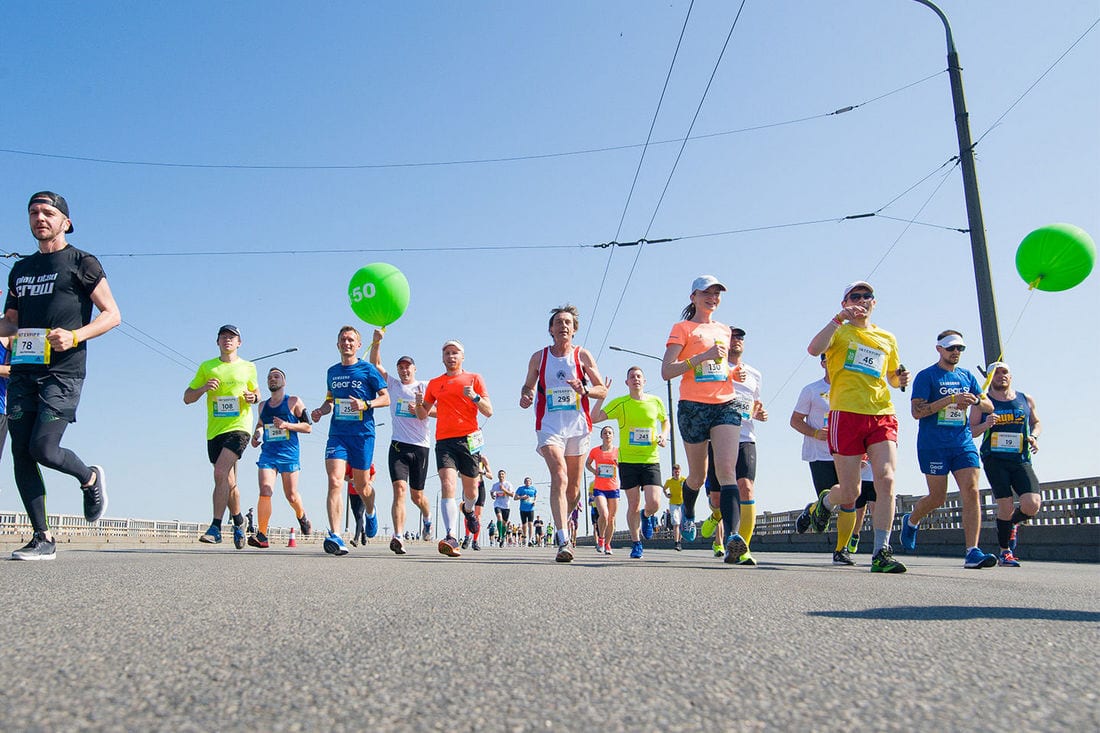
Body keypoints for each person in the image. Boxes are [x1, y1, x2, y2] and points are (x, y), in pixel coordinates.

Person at [5, 192, 120, 561]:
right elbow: (10, 320)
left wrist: (75, 335)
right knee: (22, 454)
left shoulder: (82, 262)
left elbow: (111, 314)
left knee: (44, 448)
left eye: (48, 212)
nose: (40, 218)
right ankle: (42, 537)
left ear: (65, 221)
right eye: (34, 212)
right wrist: (5, 328)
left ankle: (88, 477)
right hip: (23, 371)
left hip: (63, 372)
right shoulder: (20, 270)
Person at [805, 281, 910, 573]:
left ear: (874, 303)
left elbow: (891, 376)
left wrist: (900, 380)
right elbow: (813, 350)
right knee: (850, 493)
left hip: (881, 413)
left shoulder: (887, 337)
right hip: (846, 415)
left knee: (886, 480)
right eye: (855, 296)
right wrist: (838, 319)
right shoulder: (839, 331)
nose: (862, 300)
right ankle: (825, 502)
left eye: (867, 296)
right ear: (845, 303)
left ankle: (881, 552)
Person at [660, 275, 746, 565]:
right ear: (693, 296)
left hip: (725, 402)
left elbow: (720, 367)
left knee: (726, 471)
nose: (713, 297)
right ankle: (690, 512)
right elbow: (667, 371)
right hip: (693, 406)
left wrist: (735, 374)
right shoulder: (682, 328)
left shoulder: (724, 329)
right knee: (697, 475)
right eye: (707, 293)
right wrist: (702, 356)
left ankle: (734, 537)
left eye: (717, 293)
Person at [519, 304, 607, 562]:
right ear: (551, 329)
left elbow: (602, 389)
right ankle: (562, 538)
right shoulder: (539, 357)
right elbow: (527, 386)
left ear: (574, 329)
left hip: (578, 426)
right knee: (558, 474)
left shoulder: (582, 356)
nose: (563, 326)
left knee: (573, 489)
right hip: (549, 425)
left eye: (568, 323)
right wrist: (526, 395)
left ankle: (565, 521)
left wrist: (585, 390)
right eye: (559, 322)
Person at [901, 331, 996, 568]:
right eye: (951, 348)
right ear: (939, 349)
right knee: (937, 497)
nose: (956, 352)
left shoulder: (967, 376)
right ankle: (911, 520)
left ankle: (972, 552)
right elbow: (917, 412)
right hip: (933, 444)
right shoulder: (927, 376)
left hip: (962, 442)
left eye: (960, 349)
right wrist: (950, 399)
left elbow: (988, 404)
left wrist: (973, 401)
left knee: (972, 490)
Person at [790, 354, 877, 565]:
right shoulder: (811, 390)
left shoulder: (853, 389)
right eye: (830, 359)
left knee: (849, 498)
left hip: (847, 452)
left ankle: (841, 550)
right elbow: (795, 421)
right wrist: (813, 432)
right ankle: (812, 509)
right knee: (827, 498)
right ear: (823, 364)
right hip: (820, 453)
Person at [310, 326, 389, 556]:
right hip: (338, 434)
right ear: (337, 345)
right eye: (343, 340)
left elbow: (385, 399)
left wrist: (366, 404)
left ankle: (371, 512)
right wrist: (320, 411)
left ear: (358, 345)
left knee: (361, 485)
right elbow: (330, 401)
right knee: (335, 481)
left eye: (351, 340)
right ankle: (335, 535)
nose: (347, 343)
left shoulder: (368, 370)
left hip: (363, 435)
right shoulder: (332, 372)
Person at [414, 339, 493, 557]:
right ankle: (450, 535)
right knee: (447, 483)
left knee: (472, 492)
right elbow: (422, 415)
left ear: (462, 357)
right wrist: (420, 403)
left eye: (455, 352)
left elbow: (489, 411)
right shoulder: (434, 383)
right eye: (447, 353)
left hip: (469, 440)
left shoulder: (474, 378)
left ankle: (468, 511)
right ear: (442, 358)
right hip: (444, 441)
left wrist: (475, 397)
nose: (451, 356)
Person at [184, 324, 259, 549]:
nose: (228, 340)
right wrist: (204, 388)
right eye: (223, 337)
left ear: (239, 343)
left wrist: (252, 397)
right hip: (215, 430)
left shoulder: (248, 367)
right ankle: (238, 521)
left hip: (239, 426)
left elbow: (256, 394)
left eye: (232, 337)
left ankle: (215, 527)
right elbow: (187, 397)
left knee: (220, 472)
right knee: (227, 480)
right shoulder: (207, 367)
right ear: (217, 342)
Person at [969, 362, 1043, 567]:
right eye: (996, 373)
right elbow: (970, 430)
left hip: (1020, 458)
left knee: (1032, 503)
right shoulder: (983, 401)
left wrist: (1034, 436)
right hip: (995, 458)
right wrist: (986, 424)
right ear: (989, 377)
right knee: (1005, 504)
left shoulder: (1024, 399)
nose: (1001, 376)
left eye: (1005, 372)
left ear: (1011, 376)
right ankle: (1005, 551)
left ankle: (1011, 524)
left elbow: (1036, 422)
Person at [590, 368, 668, 560]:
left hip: (650, 459)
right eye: (632, 377)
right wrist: (602, 396)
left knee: (654, 502)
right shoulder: (621, 403)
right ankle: (636, 543)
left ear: (644, 380)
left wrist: (663, 435)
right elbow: (595, 417)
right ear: (627, 382)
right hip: (628, 461)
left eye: (639, 376)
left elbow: (665, 420)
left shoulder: (655, 401)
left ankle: (647, 515)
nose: (635, 379)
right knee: (633, 504)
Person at [369, 331, 434, 555]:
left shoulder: (425, 387)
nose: (404, 370)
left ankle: (427, 517)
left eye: (408, 367)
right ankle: (398, 536)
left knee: (418, 496)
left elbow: (436, 413)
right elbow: (375, 363)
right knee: (400, 490)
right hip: (398, 445)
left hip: (420, 447)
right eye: (401, 367)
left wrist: (420, 408)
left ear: (414, 369)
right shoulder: (394, 385)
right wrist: (377, 340)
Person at [248, 367, 313, 548]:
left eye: (276, 377)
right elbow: (261, 425)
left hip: (289, 454)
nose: (272, 380)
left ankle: (302, 516)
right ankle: (262, 534)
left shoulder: (293, 401)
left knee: (291, 495)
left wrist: (287, 425)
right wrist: (256, 436)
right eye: (269, 377)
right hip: (268, 453)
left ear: (284, 382)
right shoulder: (263, 406)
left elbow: (308, 427)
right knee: (265, 490)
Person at [726, 326, 768, 565]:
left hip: (745, 437)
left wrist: (759, 413)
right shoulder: (717, 367)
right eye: (733, 336)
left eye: (740, 337)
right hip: (719, 437)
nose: (737, 340)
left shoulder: (755, 373)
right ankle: (717, 519)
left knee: (746, 487)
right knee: (716, 497)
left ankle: (743, 547)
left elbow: (755, 403)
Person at [463, 454, 491, 550]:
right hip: (469, 485)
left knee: (478, 515)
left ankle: (475, 540)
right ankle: (467, 537)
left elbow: (490, 475)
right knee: (468, 513)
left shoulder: (482, 458)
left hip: (480, 486)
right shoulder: (465, 456)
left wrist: (482, 472)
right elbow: (459, 473)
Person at [347, 464, 376, 546]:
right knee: (356, 515)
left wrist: (370, 481)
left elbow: (373, 473)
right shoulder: (350, 462)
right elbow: (345, 476)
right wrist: (352, 480)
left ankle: (356, 539)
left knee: (359, 514)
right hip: (352, 493)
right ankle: (363, 532)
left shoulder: (366, 461)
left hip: (363, 492)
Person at [663, 463, 686, 551]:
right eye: (675, 472)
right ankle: (676, 542)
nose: (677, 474)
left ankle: (679, 541)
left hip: (682, 503)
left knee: (681, 524)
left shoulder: (683, 480)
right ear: (673, 472)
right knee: (676, 523)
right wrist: (666, 495)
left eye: (678, 472)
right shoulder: (669, 481)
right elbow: (664, 488)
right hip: (673, 504)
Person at [490, 469, 515, 548]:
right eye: (500, 474)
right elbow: (491, 492)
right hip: (497, 504)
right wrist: (492, 496)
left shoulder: (508, 484)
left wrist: (503, 489)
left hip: (506, 506)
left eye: (502, 474)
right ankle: (500, 536)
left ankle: (503, 537)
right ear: (498, 476)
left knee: (504, 523)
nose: (501, 475)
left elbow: (511, 495)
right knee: (499, 518)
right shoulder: (495, 485)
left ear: (505, 475)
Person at [515, 476, 538, 546]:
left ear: (531, 482)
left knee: (530, 524)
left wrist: (535, 501)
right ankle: (524, 536)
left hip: (531, 509)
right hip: (523, 509)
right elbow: (515, 498)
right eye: (526, 481)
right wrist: (522, 497)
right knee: (524, 525)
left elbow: (535, 496)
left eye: (529, 481)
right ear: (524, 482)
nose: (527, 482)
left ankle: (530, 539)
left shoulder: (533, 489)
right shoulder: (521, 489)